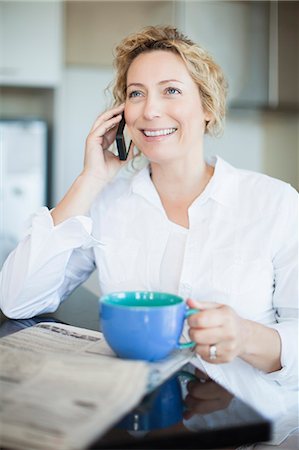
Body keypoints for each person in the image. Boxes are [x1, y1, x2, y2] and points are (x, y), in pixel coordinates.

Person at [0, 26, 297, 389]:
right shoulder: (107, 203)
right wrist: (90, 179)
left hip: (252, 432)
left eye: (171, 90)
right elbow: (18, 300)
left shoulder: (276, 203)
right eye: (135, 94)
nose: (150, 110)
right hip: (137, 418)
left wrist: (246, 336)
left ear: (207, 106)